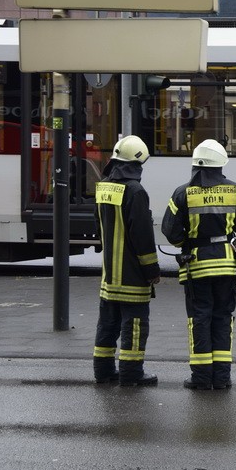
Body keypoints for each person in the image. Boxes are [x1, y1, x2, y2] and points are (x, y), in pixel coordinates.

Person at [162, 139, 236, 390]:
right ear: (221, 165)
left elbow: (170, 231)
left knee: (199, 319)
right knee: (223, 318)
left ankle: (201, 378)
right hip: (226, 265)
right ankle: (222, 378)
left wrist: (188, 242)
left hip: (197, 266)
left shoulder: (182, 193)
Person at [91, 135, 161, 387]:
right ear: (136, 163)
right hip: (131, 275)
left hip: (109, 275)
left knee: (107, 324)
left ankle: (104, 371)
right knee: (134, 325)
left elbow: (99, 227)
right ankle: (132, 374)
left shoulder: (104, 186)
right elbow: (142, 235)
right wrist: (152, 269)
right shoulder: (136, 191)